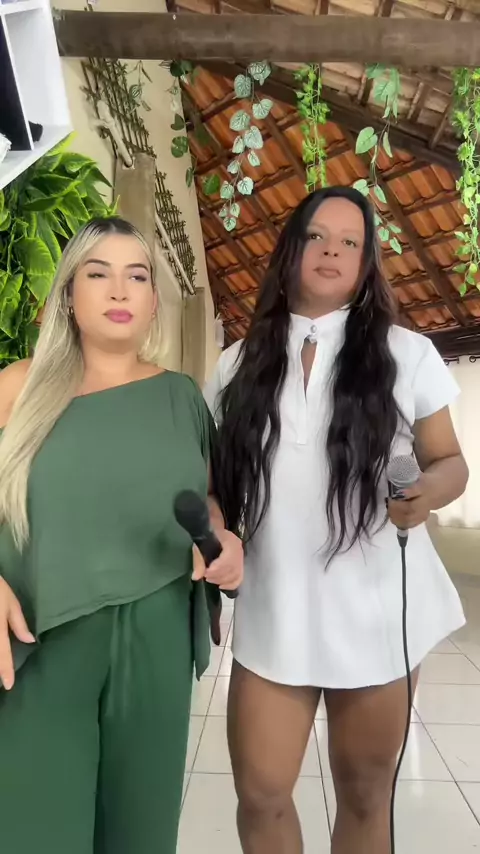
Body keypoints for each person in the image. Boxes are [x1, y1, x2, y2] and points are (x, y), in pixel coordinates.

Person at [204, 186, 468, 854]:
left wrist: (425, 493)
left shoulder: (407, 353)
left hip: (377, 610)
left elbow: (450, 464)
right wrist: (216, 529)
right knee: (261, 796)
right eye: (317, 236)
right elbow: (214, 486)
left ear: (367, 261)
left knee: (365, 795)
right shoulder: (235, 364)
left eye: (351, 242)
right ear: (291, 248)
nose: (332, 251)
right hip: (276, 608)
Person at [0, 216, 243, 854]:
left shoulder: (182, 398)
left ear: (154, 300)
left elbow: (208, 501)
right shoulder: (17, 388)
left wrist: (224, 539)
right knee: (35, 829)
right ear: (68, 295)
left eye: (136, 276)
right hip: (41, 639)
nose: (118, 290)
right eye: (97, 273)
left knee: (141, 830)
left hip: (157, 636)